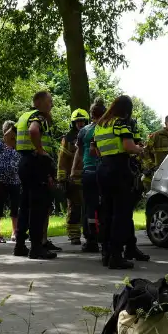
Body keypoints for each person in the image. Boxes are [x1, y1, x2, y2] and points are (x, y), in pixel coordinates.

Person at [93, 95, 150, 270]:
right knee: (121, 214)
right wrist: (141, 150)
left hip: (102, 169)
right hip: (119, 169)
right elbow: (128, 146)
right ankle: (117, 256)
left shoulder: (100, 125)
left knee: (107, 213)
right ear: (126, 110)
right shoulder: (120, 123)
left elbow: (94, 149)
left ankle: (106, 253)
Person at [14, 91, 57, 259]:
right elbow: (33, 131)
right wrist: (40, 151)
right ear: (38, 102)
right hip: (35, 163)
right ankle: (36, 248)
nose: (51, 105)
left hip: (24, 162)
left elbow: (10, 136)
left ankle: (19, 245)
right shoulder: (37, 116)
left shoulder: (24, 116)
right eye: (49, 102)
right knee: (38, 207)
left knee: (24, 205)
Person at [74, 99, 107, 253]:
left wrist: (74, 170)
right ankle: (104, 237)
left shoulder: (84, 131)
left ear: (91, 115)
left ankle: (91, 239)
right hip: (104, 171)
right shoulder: (107, 129)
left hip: (88, 172)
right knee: (105, 205)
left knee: (89, 206)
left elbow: (79, 153)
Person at [57, 108, 91, 245]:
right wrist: (61, 178)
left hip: (89, 176)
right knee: (74, 208)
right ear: (73, 123)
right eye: (77, 122)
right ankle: (74, 235)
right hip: (73, 179)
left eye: (82, 121)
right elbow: (62, 159)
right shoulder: (68, 139)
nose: (80, 124)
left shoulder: (91, 135)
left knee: (90, 207)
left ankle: (92, 234)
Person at [0, 121, 22, 243]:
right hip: (1, 180)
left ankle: (15, 232)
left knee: (15, 207)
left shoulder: (17, 143)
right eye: (8, 130)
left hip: (15, 180)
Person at [142, 115, 168, 188]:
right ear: (165, 123)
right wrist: (150, 165)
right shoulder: (156, 135)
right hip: (155, 171)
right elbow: (145, 150)